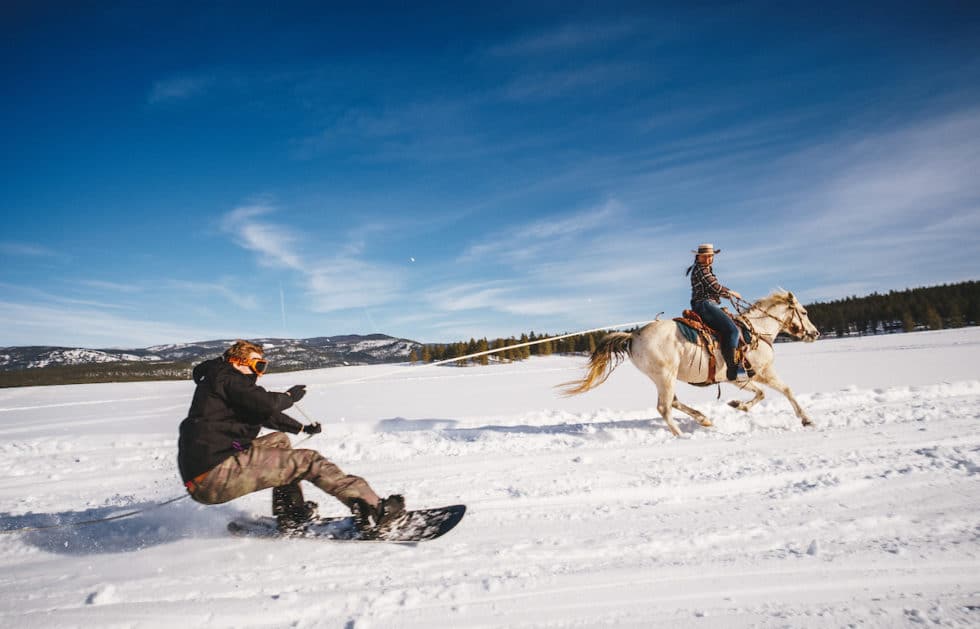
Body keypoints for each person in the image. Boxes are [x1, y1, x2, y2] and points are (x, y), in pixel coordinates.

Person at [177, 339, 404, 532]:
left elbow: (265, 414)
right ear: (237, 362)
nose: (259, 373)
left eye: (263, 367)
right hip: (215, 475)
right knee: (308, 460)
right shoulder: (228, 378)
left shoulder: (221, 381)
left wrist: (301, 428)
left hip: (210, 469)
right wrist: (289, 397)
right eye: (258, 365)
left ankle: (291, 513)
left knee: (279, 440)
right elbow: (265, 404)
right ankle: (375, 512)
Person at [686, 243, 745, 380]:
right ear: (698, 257)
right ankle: (733, 368)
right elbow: (715, 287)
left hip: (704, 304)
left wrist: (726, 295)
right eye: (704, 256)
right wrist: (731, 292)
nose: (708, 259)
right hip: (705, 305)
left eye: (710, 256)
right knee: (733, 330)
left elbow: (713, 288)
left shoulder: (704, 269)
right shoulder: (701, 270)